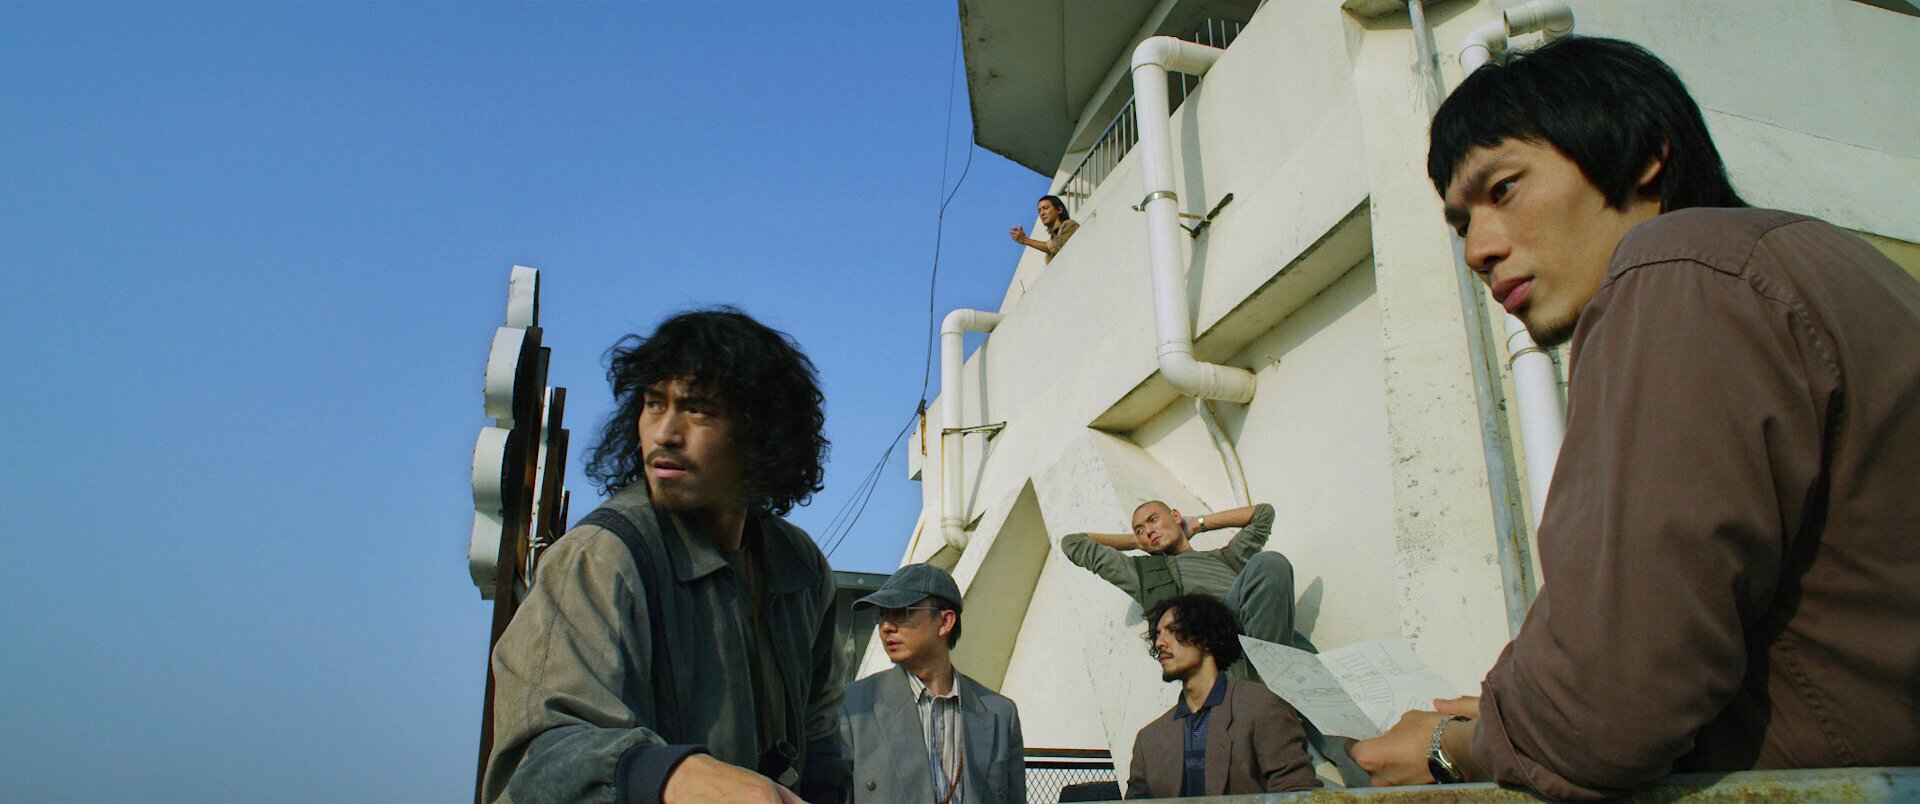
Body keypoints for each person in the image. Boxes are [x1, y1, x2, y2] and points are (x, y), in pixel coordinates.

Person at [1350, 36, 1920, 799]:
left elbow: (1604, 709)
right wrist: (1509, 709)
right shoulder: (1819, 268)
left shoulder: (1678, 270)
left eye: (1505, 188)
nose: (1478, 249)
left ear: (1643, 154)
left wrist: (1451, 748)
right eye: (1461, 224)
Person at [483, 308, 849, 804]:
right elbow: (539, 759)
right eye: (654, 404)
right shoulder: (598, 560)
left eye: (697, 409)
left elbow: (820, 738)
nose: (664, 434)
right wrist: (668, 776)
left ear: (761, 430)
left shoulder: (800, 568)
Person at [839, 564, 1026, 803]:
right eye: (881, 615)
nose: (886, 626)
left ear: (945, 621)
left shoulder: (1000, 714)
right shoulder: (854, 708)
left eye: (902, 611)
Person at [1060, 501, 1312, 659]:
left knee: (1270, 563)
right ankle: (1275, 672)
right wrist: (1135, 542)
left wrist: (1198, 523)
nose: (1148, 530)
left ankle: (1278, 668)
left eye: (1153, 520)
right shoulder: (1142, 574)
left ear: (1175, 515)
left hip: (1268, 641)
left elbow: (1263, 514)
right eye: (1140, 529)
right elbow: (1073, 543)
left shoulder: (1226, 558)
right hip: (1224, 652)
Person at [1127, 593, 1319, 798]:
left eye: (1172, 630)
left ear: (1206, 639)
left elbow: (1297, 793)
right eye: (1158, 634)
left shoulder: (1262, 707)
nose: (1159, 643)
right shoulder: (1148, 739)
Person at [1009, 194, 1080, 263]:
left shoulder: (1070, 224)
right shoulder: (1053, 239)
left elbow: (1056, 247)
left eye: (1046, 208)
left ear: (1059, 209)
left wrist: (1025, 240)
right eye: (1039, 211)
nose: (1042, 213)